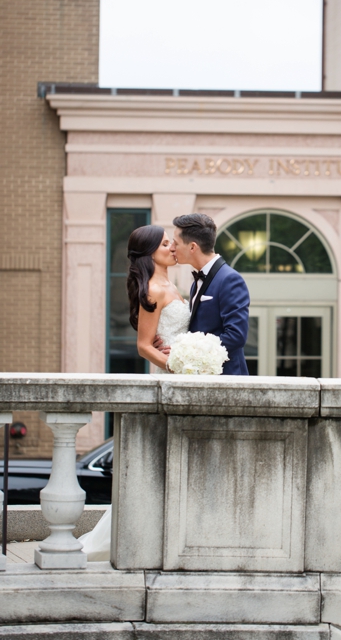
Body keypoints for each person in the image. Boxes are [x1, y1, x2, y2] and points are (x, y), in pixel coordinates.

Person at [80, 224, 190, 560]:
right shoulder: (153, 290)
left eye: (172, 243)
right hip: (173, 380)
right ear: (150, 252)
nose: (172, 247)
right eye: (166, 243)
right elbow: (144, 346)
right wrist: (177, 366)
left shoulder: (173, 284)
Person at [155, 213, 250, 375]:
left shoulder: (230, 279)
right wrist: (166, 341)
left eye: (175, 243)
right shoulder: (196, 282)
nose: (171, 248)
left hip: (226, 377)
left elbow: (236, 336)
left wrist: (184, 352)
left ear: (192, 247)